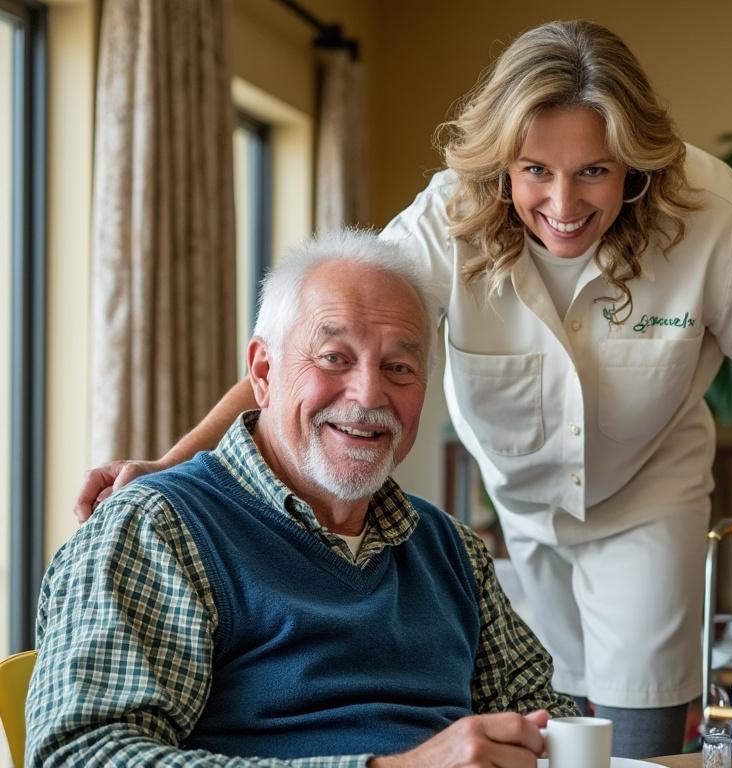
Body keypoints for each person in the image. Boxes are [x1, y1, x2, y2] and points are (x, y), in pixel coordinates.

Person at [73, 20, 732, 757]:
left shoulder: (709, 211)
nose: (563, 204)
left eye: (593, 170)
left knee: (634, 733)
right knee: (543, 722)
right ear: (502, 163)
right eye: (535, 169)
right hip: (517, 503)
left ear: (636, 163)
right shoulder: (448, 217)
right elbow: (317, 356)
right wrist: (173, 465)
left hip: (648, 491)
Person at [29, 229, 576, 767]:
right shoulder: (156, 530)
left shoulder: (452, 551)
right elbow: (84, 754)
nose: (368, 394)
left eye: (399, 368)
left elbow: (551, 728)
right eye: (335, 358)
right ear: (263, 372)